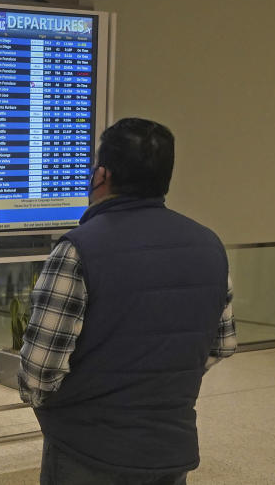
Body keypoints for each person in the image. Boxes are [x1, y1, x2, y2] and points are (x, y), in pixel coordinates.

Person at [17, 118, 238, 485]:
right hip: (170, 448)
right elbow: (223, 345)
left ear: (101, 175)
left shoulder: (78, 250)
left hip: (87, 451)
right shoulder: (209, 245)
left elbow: (37, 374)